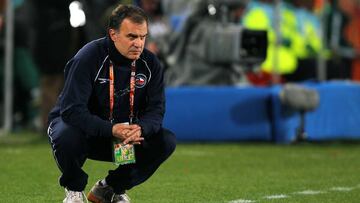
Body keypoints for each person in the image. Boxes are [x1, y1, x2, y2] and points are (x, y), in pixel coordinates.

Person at [47, 4, 176, 203]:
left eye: (143, 37)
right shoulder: (88, 57)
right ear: (113, 34)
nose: (139, 44)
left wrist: (140, 128)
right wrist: (111, 129)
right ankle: (74, 190)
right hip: (86, 132)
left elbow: (156, 110)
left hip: (123, 136)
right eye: (132, 36)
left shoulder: (151, 64)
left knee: (165, 141)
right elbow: (72, 110)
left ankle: (111, 188)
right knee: (66, 135)